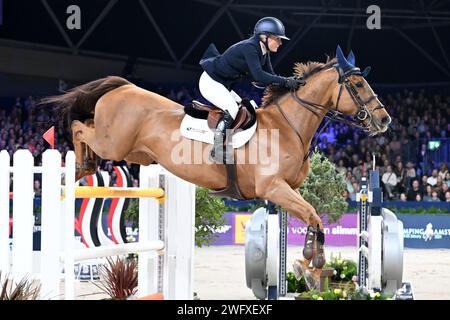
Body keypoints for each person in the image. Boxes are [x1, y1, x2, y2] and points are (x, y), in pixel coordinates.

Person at [198, 17, 305, 162]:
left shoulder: (263, 51)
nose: (280, 43)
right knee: (232, 108)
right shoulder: (249, 48)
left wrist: (291, 82)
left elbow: (271, 76)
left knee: (247, 107)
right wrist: (286, 81)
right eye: (278, 39)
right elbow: (259, 76)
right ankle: (216, 150)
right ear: (263, 36)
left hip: (222, 84)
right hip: (210, 82)